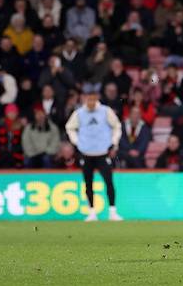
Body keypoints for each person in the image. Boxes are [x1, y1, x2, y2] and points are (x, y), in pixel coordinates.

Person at [65, 82, 123, 222]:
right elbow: (69, 127)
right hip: (86, 153)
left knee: (109, 182)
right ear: (85, 98)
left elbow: (117, 126)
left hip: (103, 152)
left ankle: (112, 212)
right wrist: (77, 142)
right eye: (88, 99)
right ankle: (91, 212)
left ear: (96, 98)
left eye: (93, 98)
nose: (91, 102)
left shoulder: (105, 111)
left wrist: (113, 143)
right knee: (88, 184)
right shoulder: (79, 113)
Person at [21, 104, 60, 168]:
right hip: (32, 154)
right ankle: (29, 177)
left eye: (42, 113)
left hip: (48, 154)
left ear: (45, 114)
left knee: (46, 159)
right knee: (27, 161)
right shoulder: (28, 128)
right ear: (34, 115)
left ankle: (47, 177)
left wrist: (46, 152)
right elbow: (26, 143)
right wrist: (33, 154)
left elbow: (55, 143)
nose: (40, 116)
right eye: (37, 114)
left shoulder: (53, 128)